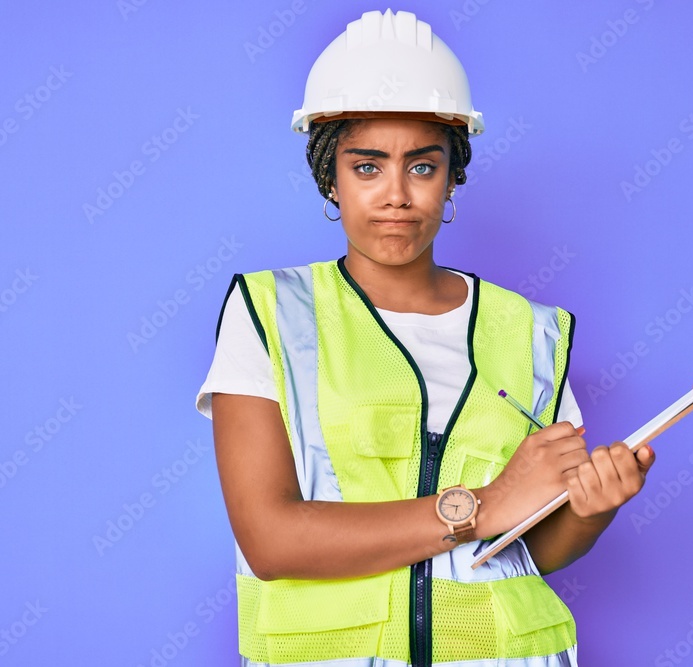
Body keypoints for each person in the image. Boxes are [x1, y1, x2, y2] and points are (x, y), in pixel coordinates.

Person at [195, 9, 655, 666]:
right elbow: (271, 539)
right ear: (329, 177)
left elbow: (531, 550)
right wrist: (482, 505)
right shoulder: (270, 312)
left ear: (452, 176)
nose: (396, 196)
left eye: (421, 167)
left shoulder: (530, 330)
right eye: (367, 167)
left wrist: (592, 508)